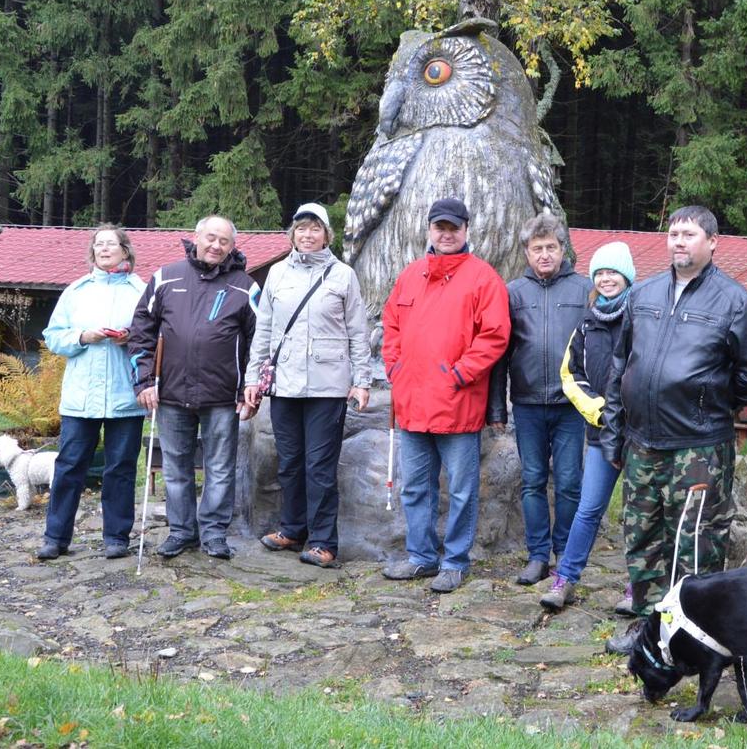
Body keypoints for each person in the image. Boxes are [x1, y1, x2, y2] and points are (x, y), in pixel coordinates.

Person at [600, 205, 747, 654]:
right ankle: (647, 630)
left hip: (699, 448)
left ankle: (693, 637)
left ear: (712, 242)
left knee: (695, 544)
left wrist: (713, 400)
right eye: (674, 233)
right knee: (643, 539)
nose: (679, 241)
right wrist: (616, 430)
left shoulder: (733, 301)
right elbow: (621, 363)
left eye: (690, 234)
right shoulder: (644, 295)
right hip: (642, 443)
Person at [380, 198, 511, 593]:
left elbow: (495, 336)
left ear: (467, 230)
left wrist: (459, 374)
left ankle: (454, 562)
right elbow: (391, 327)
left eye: (453, 227)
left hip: (458, 405)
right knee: (415, 487)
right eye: (439, 227)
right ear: (429, 230)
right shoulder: (410, 275)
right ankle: (421, 557)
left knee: (460, 489)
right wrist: (395, 369)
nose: (446, 234)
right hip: (413, 403)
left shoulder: (483, 278)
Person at [244, 202, 372, 569]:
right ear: (293, 234)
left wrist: (362, 381)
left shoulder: (343, 275)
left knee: (319, 465)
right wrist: (253, 378)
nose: (308, 234)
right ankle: (292, 528)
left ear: (327, 235)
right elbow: (264, 331)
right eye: (301, 228)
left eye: (315, 228)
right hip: (284, 383)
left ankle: (322, 541)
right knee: (289, 463)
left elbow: (357, 333)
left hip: (328, 386)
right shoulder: (277, 274)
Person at [128, 215, 259, 561]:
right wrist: (142, 380)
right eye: (211, 238)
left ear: (233, 246)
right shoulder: (165, 277)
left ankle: (214, 534)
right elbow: (141, 330)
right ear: (196, 238)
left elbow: (259, 342)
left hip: (222, 397)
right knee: (175, 467)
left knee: (219, 468)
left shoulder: (245, 286)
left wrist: (251, 387)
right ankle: (181, 532)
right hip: (169, 392)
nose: (216, 246)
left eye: (224, 241)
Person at [487, 212, 592, 585]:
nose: (544, 255)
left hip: (571, 405)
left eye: (551, 247)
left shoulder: (584, 290)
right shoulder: (513, 292)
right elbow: (499, 353)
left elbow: (599, 347)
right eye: (537, 249)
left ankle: (564, 552)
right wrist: (498, 407)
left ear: (563, 250)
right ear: (527, 254)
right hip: (528, 403)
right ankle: (537, 555)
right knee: (531, 480)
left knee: (568, 481)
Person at [37, 225, 147, 560]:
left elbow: (154, 335)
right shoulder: (76, 290)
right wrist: (84, 337)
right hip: (80, 397)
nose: (104, 249)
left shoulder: (140, 290)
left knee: (121, 468)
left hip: (125, 395)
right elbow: (54, 336)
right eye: (98, 244)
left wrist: (129, 336)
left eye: (111, 244)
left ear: (125, 250)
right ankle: (56, 538)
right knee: (69, 466)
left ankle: (116, 538)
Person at [539, 241, 636, 609]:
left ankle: (637, 587)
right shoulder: (587, 322)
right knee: (589, 508)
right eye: (600, 272)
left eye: (613, 272)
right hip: (600, 433)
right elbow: (570, 374)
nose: (606, 278)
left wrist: (630, 413)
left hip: (640, 434)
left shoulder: (643, 315)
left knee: (639, 514)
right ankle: (565, 579)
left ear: (626, 276)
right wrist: (598, 411)